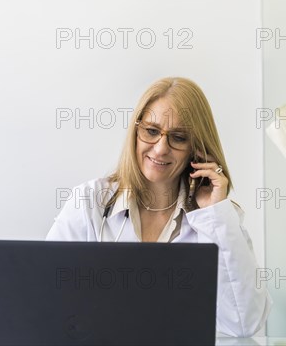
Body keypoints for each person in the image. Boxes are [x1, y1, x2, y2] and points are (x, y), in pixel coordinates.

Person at [46, 77, 272, 337]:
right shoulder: (89, 202)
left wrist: (214, 214)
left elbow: (244, 324)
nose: (161, 148)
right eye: (151, 131)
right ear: (136, 131)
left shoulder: (215, 217)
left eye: (178, 137)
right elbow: (48, 301)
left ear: (196, 149)